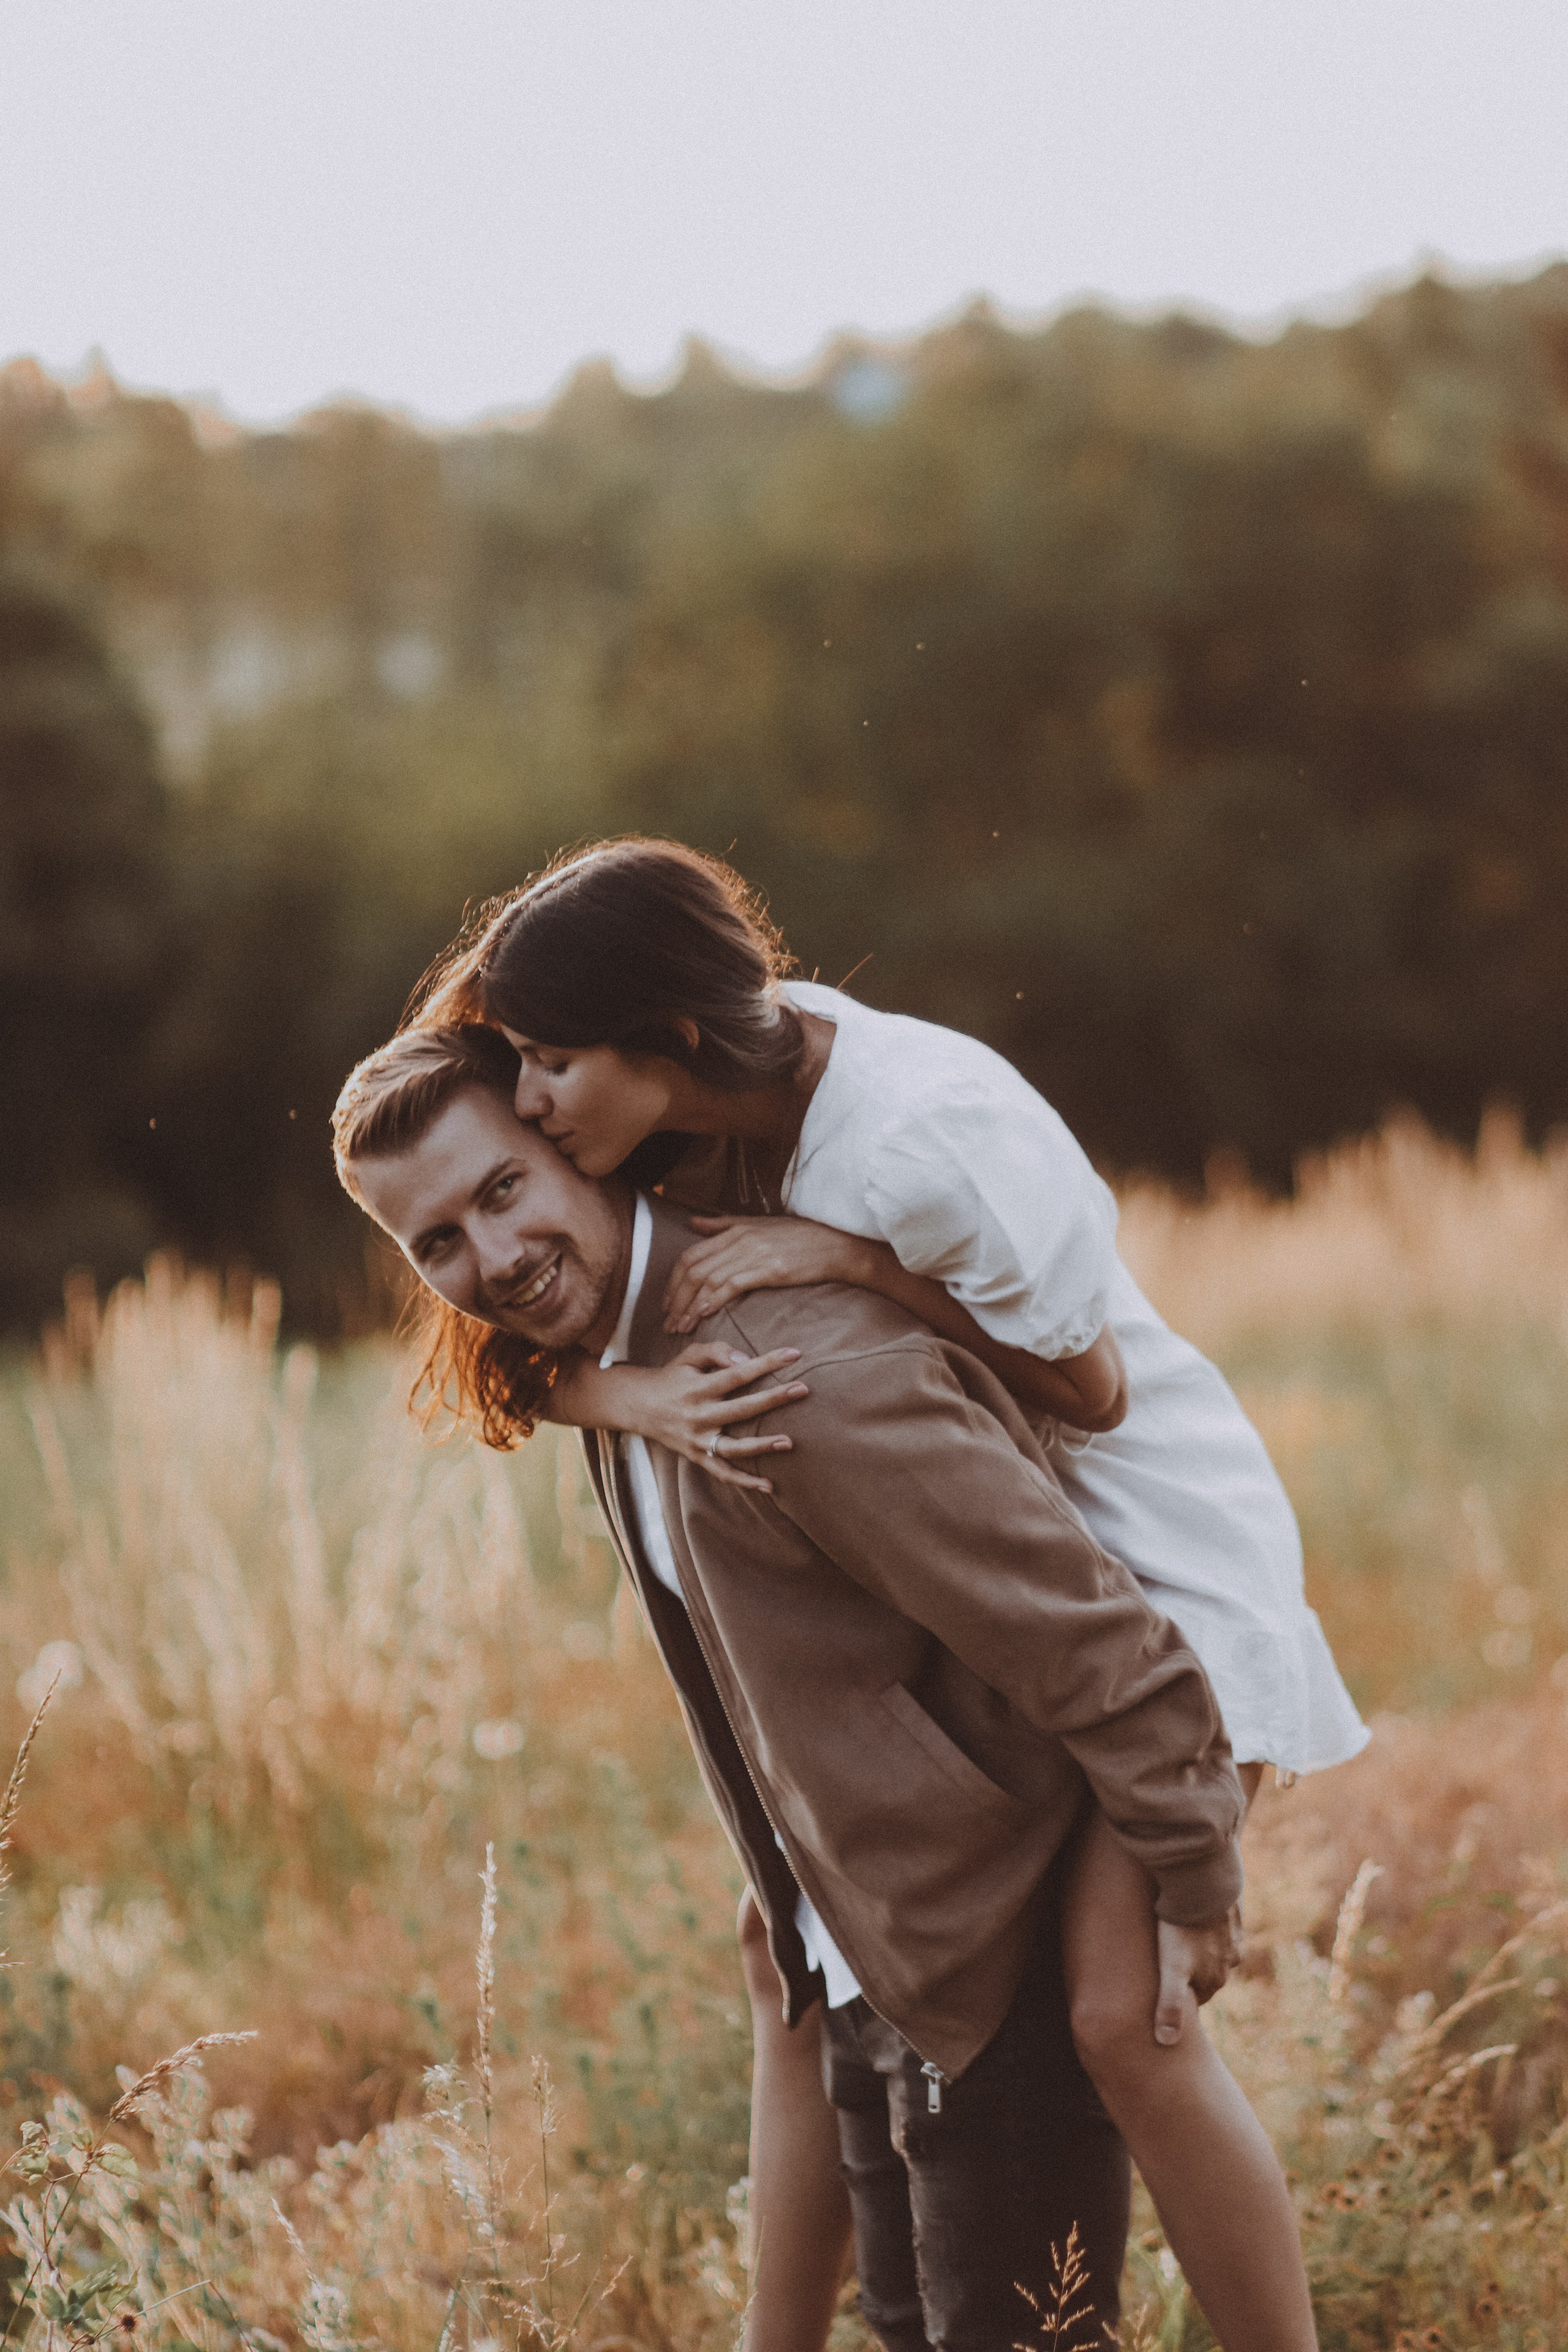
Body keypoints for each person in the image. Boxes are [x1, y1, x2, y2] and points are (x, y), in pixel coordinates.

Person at [412, 839, 1359, 2350]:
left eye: (547, 1065)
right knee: (779, 1930)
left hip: (1156, 1542)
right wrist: (632, 1401)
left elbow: (1091, 1389)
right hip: (1013, 1515)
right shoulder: (695, 1102)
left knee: (1128, 2018)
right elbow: (532, 1334)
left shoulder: (917, 1140)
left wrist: (843, 1259)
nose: (529, 1096)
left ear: (655, 1039)